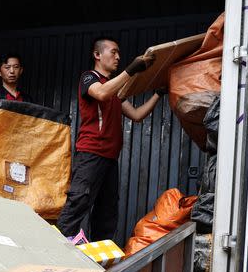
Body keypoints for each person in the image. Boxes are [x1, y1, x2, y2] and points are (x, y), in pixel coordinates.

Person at [57, 37, 166, 241]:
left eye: (119, 53)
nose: (118, 57)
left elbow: (136, 115)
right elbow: (101, 93)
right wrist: (131, 69)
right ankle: (58, 250)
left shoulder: (115, 90)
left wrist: (158, 94)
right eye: (113, 52)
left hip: (109, 158)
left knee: (107, 213)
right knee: (79, 201)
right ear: (97, 55)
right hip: (91, 153)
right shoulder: (89, 78)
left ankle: (101, 257)